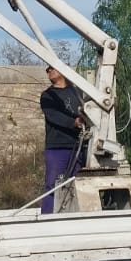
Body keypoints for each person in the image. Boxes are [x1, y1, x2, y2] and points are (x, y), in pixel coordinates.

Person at [39, 65, 84, 215]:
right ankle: (47, 219)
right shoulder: (47, 96)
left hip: (77, 146)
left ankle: (72, 219)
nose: (49, 71)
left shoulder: (77, 93)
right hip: (57, 148)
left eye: (52, 68)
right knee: (53, 185)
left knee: (76, 186)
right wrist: (74, 123)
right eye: (47, 70)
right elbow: (53, 116)